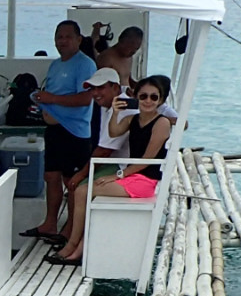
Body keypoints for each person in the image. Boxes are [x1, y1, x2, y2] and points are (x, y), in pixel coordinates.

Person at [49, 76, 172, 264]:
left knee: (87, 189)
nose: (148, 101)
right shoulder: (133, 118)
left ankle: (76, 248)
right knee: (82, 190)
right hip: (133, 176)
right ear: (136, 97)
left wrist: (117, 175)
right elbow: (114, 131)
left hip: (145, 181)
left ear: (161, 100)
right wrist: (115, 112)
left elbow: (147, 160)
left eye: (154, 97)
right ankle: (74, 245)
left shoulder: (162, 123)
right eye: (143, 96)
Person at [27, 19, 99, 248]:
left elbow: (86, 98)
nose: (62, 41)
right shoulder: (55, 65)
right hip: (54, 130)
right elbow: (52, 93)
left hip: (74, 132)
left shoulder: (85, 65)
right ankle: (50, 223)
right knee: (51, 177)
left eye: (68, 36)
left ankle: (70, 229)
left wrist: (52, 99)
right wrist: (42, 98)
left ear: (79, 39)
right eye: (59, 36)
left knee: (72, 181)